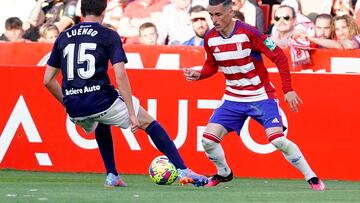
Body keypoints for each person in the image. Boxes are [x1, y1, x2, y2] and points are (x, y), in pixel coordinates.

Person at [43, 0, 208, 187]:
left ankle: (112, 175)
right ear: (104, 11)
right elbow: (120, 75)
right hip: (100, 100)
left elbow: (48, 80)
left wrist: (68, 104)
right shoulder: (108, 35)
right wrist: (131, 112)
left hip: (74, 107)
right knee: (148, 122)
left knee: (102, 121)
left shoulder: (63, 37)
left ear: (81, 11)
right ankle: (184, 171)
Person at [183, 0, 325, 191]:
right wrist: (199, 74)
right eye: (211, 15)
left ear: (230, 11)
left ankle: (312, 177)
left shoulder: (250, 33)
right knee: (208, 140)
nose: (214, 19)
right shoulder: (210, 38)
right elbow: (211, 65)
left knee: (278, 140)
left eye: (218, 14)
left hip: (260, 96)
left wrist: (288, 89)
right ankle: (224, 172)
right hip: (233, 98)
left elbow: (279, 57)